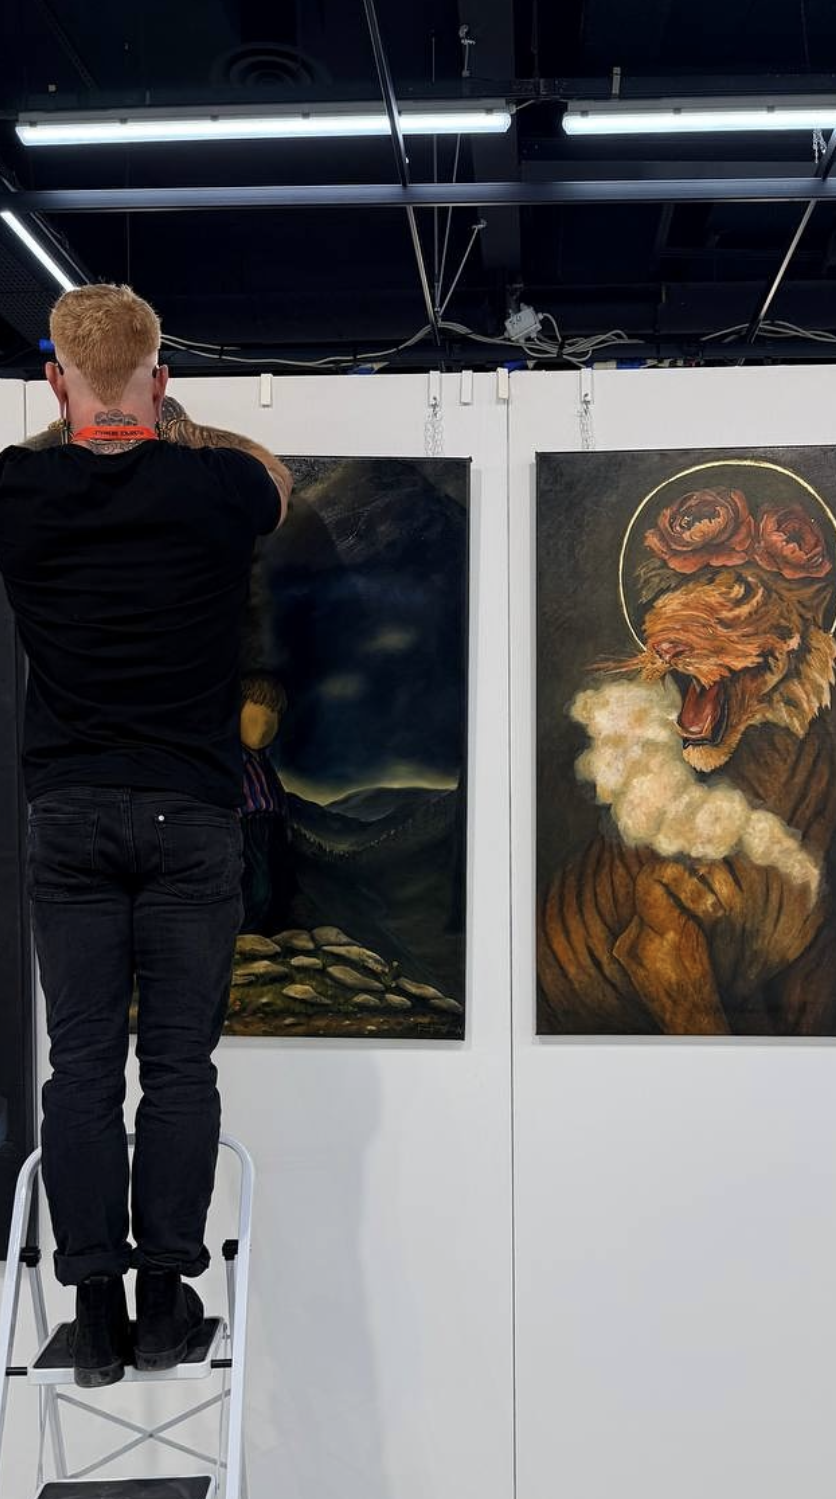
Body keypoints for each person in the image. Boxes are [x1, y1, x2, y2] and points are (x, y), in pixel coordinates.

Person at [0, 283, 291, 1387]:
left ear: (55, 380)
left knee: (80, 1064)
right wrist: (154, 421)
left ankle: (95, 1316)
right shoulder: (215, 483)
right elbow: (274, 474)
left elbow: (71, 429)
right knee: (176, 1064)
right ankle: (169, 1305)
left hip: (67, 817)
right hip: (189, 816)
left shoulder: (20, 488)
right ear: (162, 378)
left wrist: (76, 424)